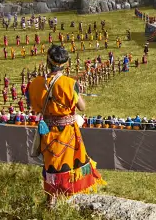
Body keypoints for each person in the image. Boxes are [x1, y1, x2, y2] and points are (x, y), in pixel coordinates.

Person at [27, 44, 105, 207]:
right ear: (66, 63)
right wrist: (78, 93)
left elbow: (33, 105)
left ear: (47, 62)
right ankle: (69, 197)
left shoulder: (35, 83)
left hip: (47, 131)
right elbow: (82, 107)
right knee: (71, 164)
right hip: (67, 133)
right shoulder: (70, 84)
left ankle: (51, 199)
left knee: (51, 165)